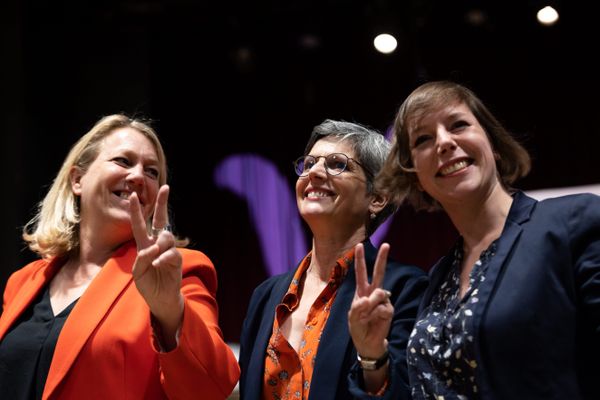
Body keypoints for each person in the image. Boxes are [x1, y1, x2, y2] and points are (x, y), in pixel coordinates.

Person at [376, 80, 600, 399]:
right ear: (417, 178)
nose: (444, 142)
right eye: (423, 139)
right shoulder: (439, 278)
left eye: (458, 125)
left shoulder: (571, 222)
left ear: (493, 144)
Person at [0, 114, 240, 399]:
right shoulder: (24, 281)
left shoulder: (180, 270)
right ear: (78, 180)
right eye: (123, 161)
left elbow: (210, 388)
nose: (138, 176)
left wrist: (170, 311)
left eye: (152, 171)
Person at [238, 119, 428, 400]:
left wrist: (372, 356)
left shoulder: (403, 289)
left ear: (376, 198)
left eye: (338, 164)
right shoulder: (265, 296)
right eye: (310, 163)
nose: (314, 172)